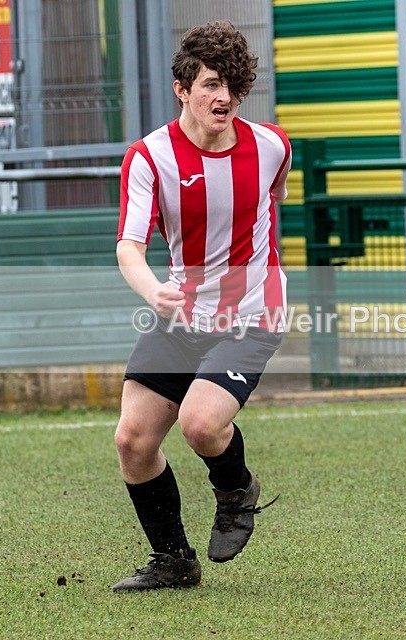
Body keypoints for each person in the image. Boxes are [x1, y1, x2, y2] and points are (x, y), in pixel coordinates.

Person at [112, 21, 290, 591]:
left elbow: (275, 196)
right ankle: (174, 560)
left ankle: (235, 489)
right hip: (178, 313)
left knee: (201, 425)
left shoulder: (271, 146)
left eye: (234, 86)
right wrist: (151, 291)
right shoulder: (149, 158)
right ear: (181, 87)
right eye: (212, 84)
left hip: (251, 314)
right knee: (133, 440)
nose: (225, 97)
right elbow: (129, 246)